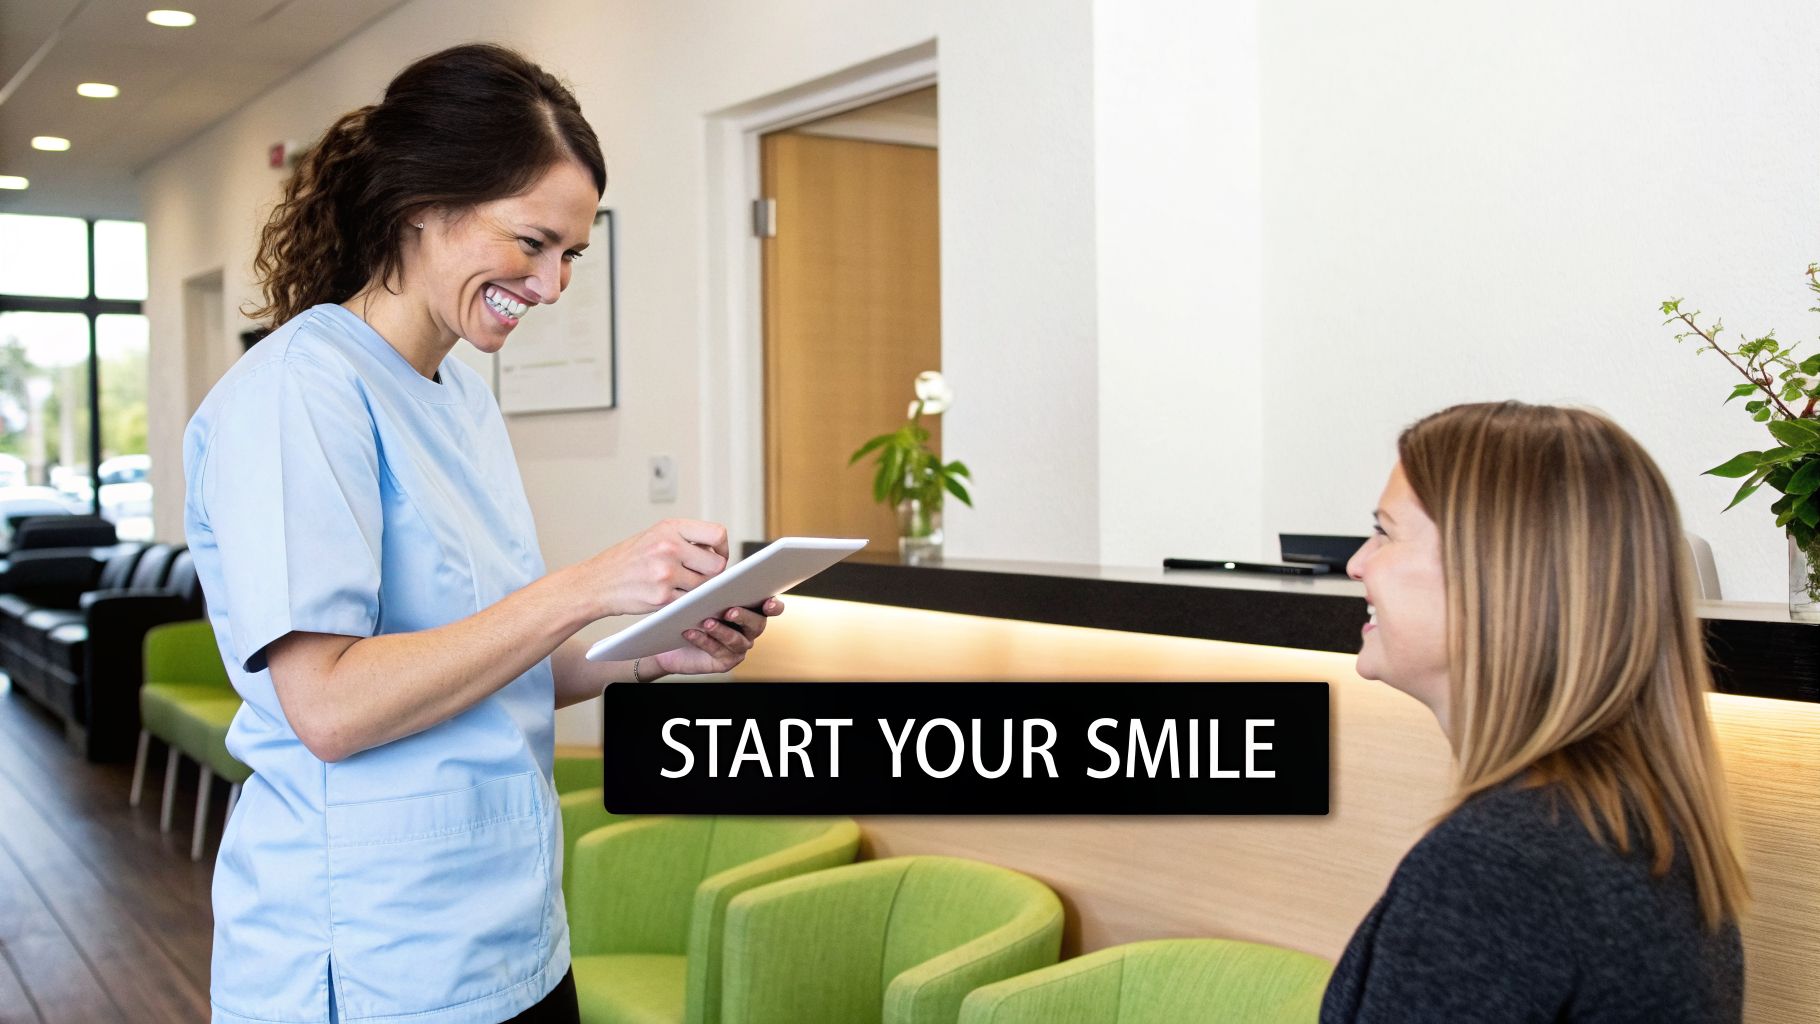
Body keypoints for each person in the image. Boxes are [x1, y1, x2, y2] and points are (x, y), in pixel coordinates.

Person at [182, 44, 782, 1024]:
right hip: (378, 959)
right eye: (532, 242)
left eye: (572, 256)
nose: (551, 286)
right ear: (422, 205)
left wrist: (645, 651)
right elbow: (328, 707)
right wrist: (586, 586)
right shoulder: (302, 391)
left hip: (513, 934)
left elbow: (487, 662)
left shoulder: (458, 394)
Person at [1322, 402, 1748, 1023]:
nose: (1357, 563)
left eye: (1385, 532)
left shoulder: (1498, 867)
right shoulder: (1645, 828)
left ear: (1489, 574)